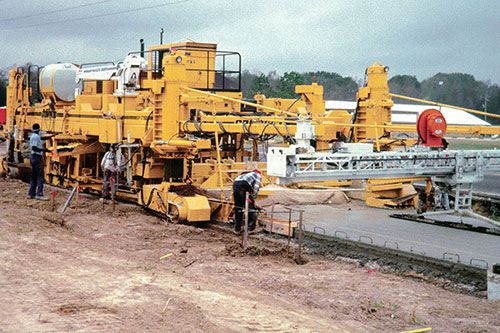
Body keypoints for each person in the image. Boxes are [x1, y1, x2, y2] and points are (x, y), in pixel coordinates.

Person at [232, 169, 262, 233]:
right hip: (243, 185)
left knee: (238, 207)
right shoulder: (258, 175)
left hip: (235, 184)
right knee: (250, 207)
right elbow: (255, 188)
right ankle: (251, 228)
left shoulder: (246, 174)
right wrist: (253, 200)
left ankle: (237, 228)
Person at [28, 123, 52, 200]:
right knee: (40, 176)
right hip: (36, 157)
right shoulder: (36, 137)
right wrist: (45, 150)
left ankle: (31, 193)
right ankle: (39, 194)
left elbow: (41, 138)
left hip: (33, 157)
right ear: (39, 129)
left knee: (33, 176)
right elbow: (34, 148)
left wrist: (52, 135)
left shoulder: (33, 136)